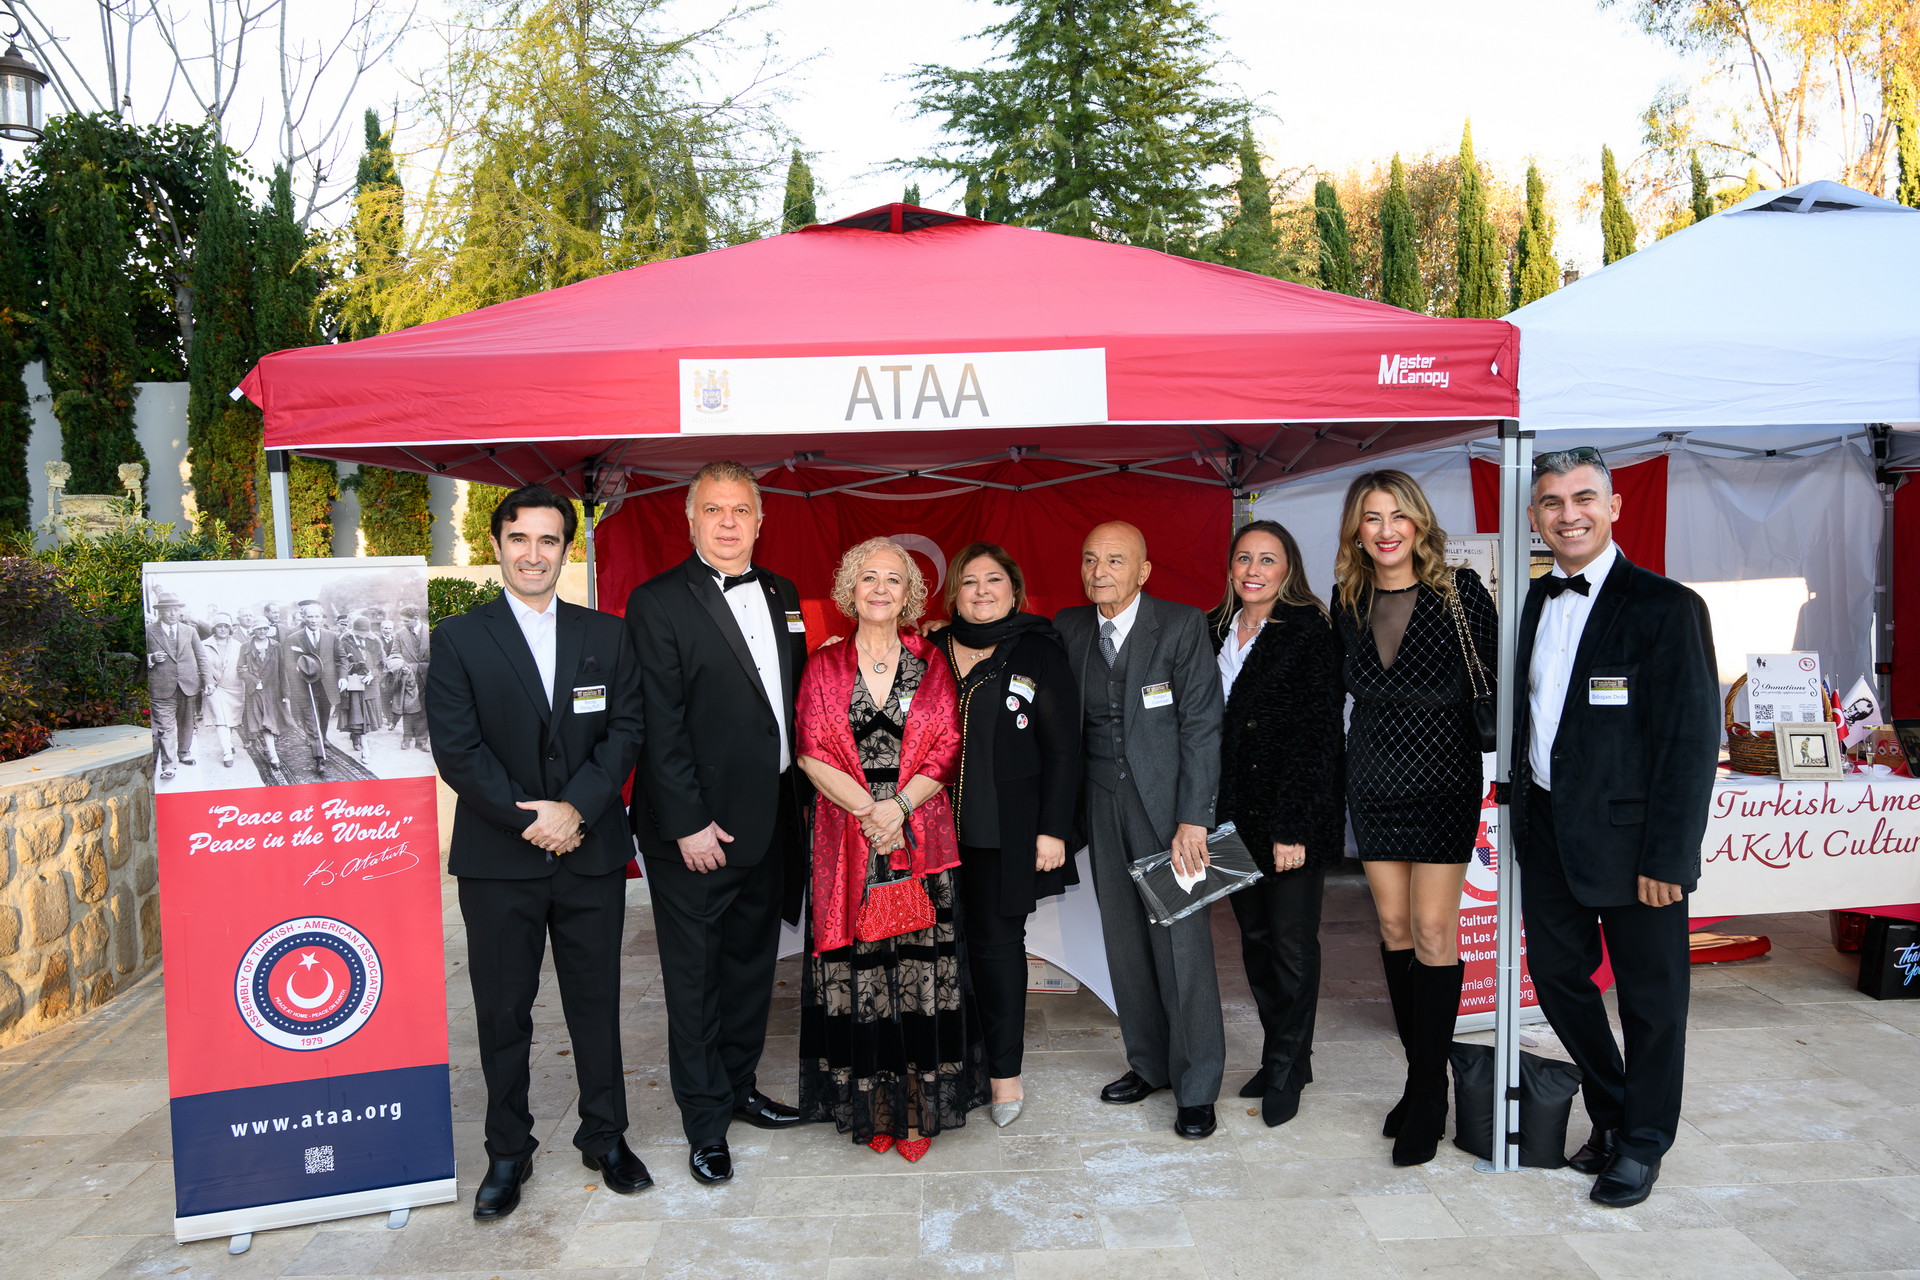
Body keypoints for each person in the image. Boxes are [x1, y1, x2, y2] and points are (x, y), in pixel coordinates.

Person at [425, 484, 650, 1221]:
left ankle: (605, 1136)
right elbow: (458, 751)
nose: (533, 554)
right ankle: (507, 1150)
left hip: (590, 854)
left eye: (548, 540)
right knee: (502, 1013)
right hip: (499, 861)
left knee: (596, 1004)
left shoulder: (607, 635)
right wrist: (534, 818)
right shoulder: (459, 639)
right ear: (496, 545)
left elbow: (626, 731)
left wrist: (575, 808)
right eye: (519, 538)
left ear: (565, 550)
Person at [1515, 447, 1719, 1208]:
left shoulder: (1667, 606)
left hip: (1640, 848)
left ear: (1614, 507)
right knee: (1556, 982)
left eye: (1583, 498)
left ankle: (1642, 1143)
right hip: (1547, 832)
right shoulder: (1535, 601)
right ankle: (1612, 1109)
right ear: (1534, 517)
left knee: (1651, 1004)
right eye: (1552, 502)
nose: (1568, 515)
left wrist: (1670, 856)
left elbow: (1690, 742)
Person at [625, 461, 809, 1186]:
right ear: (690, 519)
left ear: (760, 521)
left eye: (740, 510)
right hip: (697, 832)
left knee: (749, 970)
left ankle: (739, 1089)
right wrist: (688, 822)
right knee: (695, 981)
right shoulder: (656, 601)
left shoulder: (783, 592)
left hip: (768, 820)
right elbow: (659, 723)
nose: (728, 523)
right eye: (713, 509)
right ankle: (704, 1123)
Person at [795, 537, 984, 1163]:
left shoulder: (931, 661)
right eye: (868, 577)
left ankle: (917, 1109)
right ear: (850, 589)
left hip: (918, 834)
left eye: (893, 579)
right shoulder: (824, 664)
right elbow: (810, 751)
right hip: (847, 835)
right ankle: (872, 1107)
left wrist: (897, 810)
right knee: (860, 971)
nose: (880, 588)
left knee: (918, 973)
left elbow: (947, 746)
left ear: (910, 594)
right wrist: (873, 816)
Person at [1331, 469, 1496, 1167]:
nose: (1387, 529)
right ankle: (1418, 1074)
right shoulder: (1348, 598)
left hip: (1443, 777)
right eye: (1372, 518)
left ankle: (1431, 1094)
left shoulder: (1461, 591)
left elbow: (1496, 681)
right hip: (1374, 777)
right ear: (1357, 530)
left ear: (1420, 522)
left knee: (1432, 929)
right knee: (1394, 928)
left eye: (1398, 515)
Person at [1056, 521, 1226, 1140]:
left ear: (1143, 571)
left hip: (1168, 813)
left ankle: (1197, 1085)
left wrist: (1194, 819)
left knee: (1182, 945)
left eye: (1115, 560)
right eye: (1090, 559)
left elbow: (1202, 725)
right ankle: (1149, 1065)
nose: (1099, 571)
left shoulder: (1180, 625)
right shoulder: (1069, 627)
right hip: (1101, 804)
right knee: (1123, 940)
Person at [926, 543, 1082, 1128]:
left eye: (994, 580)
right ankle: (946, 1066)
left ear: (1014, 591)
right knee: (935, 951)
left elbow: (1064, 749)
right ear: (955, 593)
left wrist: (1053, 830)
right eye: (970, 581)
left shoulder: (1039, 650)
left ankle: (1004, 1075)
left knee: (996, 950)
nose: (982, 590)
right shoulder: (929, 649)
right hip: (928, 833)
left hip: (1003, 833)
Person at [1208, 520, 1344, 1128]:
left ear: (1288, 568)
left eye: (1268, 559)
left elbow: (1318, 735)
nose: (1254, 570)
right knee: (1257, 943)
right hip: (1231, 816)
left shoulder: (1309, 629)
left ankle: (1287, 1068)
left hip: (1289, 816)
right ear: (1230, 567)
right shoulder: (1215, 627)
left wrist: (1294, 826)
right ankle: (1282, 1054)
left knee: (1291, 946)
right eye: (1244, 558)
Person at [144, 591, 204, 781]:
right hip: (161, 687)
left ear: (180, 611)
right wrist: (151, 658)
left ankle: (184, 753)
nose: (172, 613)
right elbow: (137, 659)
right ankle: (169, 765)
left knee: (186, 723)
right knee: (165, 727)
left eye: (175, 609)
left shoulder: (190, 631)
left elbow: (201, 657)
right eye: (168, 610)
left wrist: (208, 682)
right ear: (160, 612)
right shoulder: (148, 631)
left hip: (188, 685)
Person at [284, 598, 338, 765]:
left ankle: (321, 738)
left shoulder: (332, 636)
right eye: (310, 617)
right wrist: (297, 670)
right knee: (311, 719)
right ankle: (318, 757)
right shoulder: (293, 638)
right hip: (305, 685)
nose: (314, 620)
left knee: (323, 718)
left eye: (317, 617)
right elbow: (288, 662)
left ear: (322, 618)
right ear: (304, 618)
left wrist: (342, 677)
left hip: (327, 685)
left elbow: (341, 658)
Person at [238, 619, 290, 769]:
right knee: (261, 721)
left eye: (265, 629)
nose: (262, 632)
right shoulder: (246, 647)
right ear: (253, 630)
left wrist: (285, 693)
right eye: (259, 629)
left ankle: (271, 752)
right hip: (255, 691)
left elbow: (281, 669)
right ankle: (273, 754)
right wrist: (254, 681)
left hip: (272, 690)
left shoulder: (275, 646)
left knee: (269, 721)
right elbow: (240, 668)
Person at [198, 613, 247, 769]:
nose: (223, 629)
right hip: (215, 687)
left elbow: (243, 665)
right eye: (219, 626)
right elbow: (202, 666)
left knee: (230, 719)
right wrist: (208, 682)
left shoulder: (238, 645)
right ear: (214, 628)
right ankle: (227, 751)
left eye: (226, 626)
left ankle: (227, 742)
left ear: (230, 629)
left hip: (234, 686)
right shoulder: (204, 645)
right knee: (220, 718)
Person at [335, 616, 382, 761]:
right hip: (354, 684)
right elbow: (340, 663)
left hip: (370, 685)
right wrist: (354, 666)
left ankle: (357, 736)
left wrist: (372, 674)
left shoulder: (375, 642)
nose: (362, 637)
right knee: (359, 714)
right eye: (359, 634)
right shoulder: (344, 642)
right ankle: (365, 747)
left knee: (365, 716)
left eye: (365, 634)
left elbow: (381, 664)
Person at [387, 604, 432, 751]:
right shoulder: (400, 634)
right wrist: (402, 665)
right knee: (408, 708)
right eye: (402, 620)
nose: (403, 623)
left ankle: (422, 741)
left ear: (416, 618)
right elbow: (394, 653)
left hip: (428, 676)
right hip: (407, 677)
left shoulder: (430, 631)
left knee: (425, 709)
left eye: (406, 621)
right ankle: (406, 739)